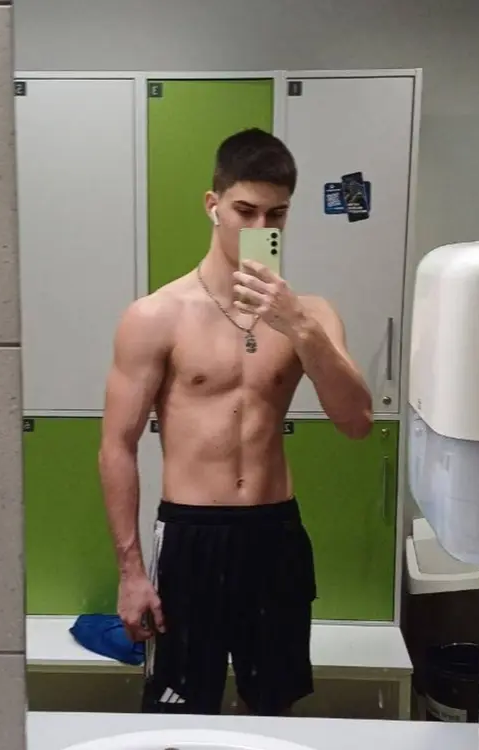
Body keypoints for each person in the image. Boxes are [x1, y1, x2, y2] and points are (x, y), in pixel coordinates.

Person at [98, 128, 373, 717]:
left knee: (272, 711)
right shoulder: (156, 315)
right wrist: (130, 572)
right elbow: (117, 446)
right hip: (191, 535)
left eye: (276, 215)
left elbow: (356, 422)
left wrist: (299, 328)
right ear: (213, 204)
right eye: (245, 211)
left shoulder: (312, 316)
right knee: (178, 712)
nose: (259, 228)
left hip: (275, 533)